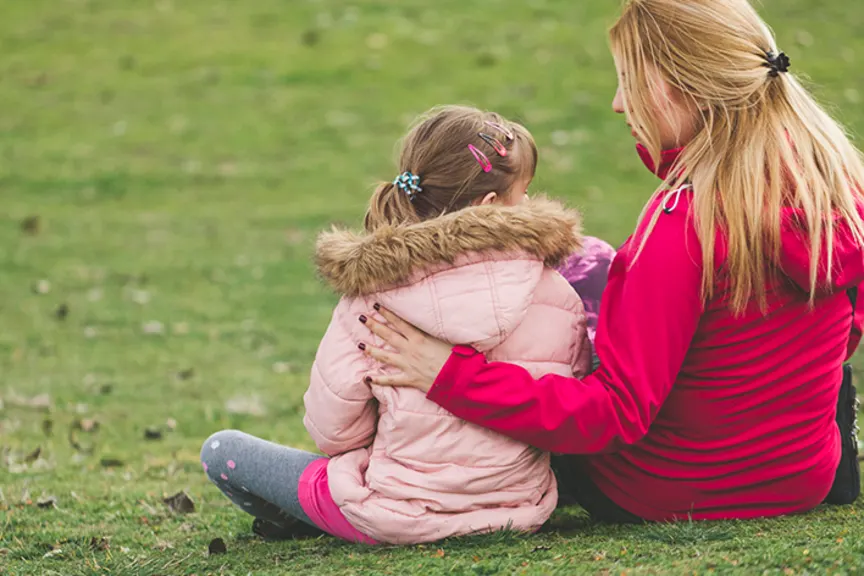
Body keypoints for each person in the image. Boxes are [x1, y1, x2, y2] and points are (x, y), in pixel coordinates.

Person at [359, 0, 863, 523]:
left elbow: (614, 417)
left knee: (571, 286)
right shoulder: (834, 189)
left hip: (661, 490)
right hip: (800, 478)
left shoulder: (685, 226)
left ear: (681, 86)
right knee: (593, 266)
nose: (619, 103)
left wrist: (451, 376)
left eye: (630, 81)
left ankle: (338, 486)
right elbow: (846, 332)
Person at [201, 105, 611, 544]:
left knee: (222, 451)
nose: (529, 203)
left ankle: (301, 518)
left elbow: (333, 431)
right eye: (524, 192)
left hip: (394, 515)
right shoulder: (556, 294)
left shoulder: (373, 299)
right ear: (489, 206)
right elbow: (565, 405)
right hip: (522, 508)